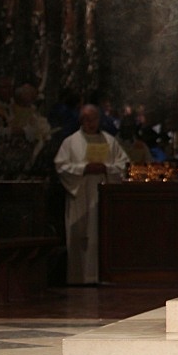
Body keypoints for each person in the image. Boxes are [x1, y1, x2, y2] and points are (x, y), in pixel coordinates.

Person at [53, 104, 129, 284]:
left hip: (102, 195)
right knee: (80, 235)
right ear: (81, 120)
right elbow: (61, 167)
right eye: (86, 119)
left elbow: (124, 165)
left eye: (94, 119)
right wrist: (84, 169)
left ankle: (101, 276)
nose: (90, 123)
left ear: (99, 120)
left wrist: (106, 168)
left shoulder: (109, 141)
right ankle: (78, 278)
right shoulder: (70, 142)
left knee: (100, 234)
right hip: (79, 194)